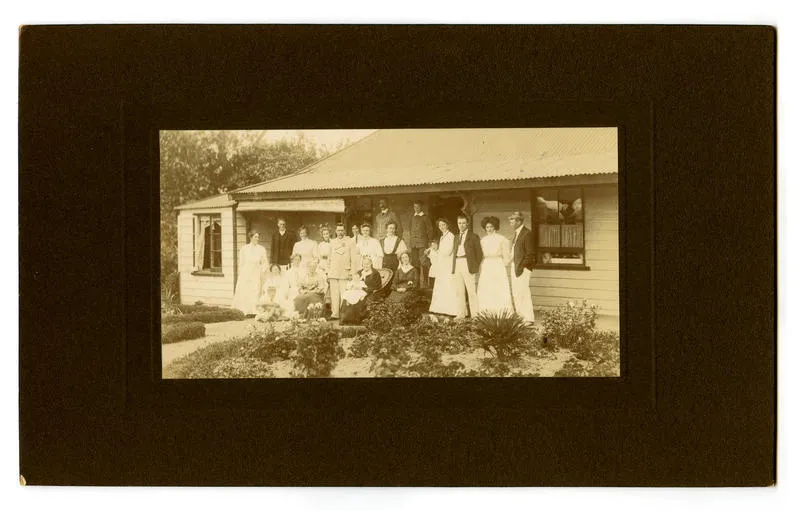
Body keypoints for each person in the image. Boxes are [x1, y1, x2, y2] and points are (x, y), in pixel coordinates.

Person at [476, 216, 514, 315]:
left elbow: (506, 256)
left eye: (491, 227)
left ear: (495, 227)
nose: (489, 229)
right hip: (487, 264)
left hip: (498, 264)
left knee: (498, 287)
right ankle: (487, 312)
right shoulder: (483, 240)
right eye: (487, 227)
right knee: (487, 287)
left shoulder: (502, 239)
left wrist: (502, 265)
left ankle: (501, 312)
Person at [451, 214, 483, 319]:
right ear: (457, 224)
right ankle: (460, 314)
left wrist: (474, 266)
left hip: (468, 264)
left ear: (467, 223)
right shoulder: (456, 237)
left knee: (471, 291)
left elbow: (479, 254)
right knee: (459, 291)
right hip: (457, 264)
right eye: (459, 223)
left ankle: (475, 315)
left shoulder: (473, 236)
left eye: (463, 223)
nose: (461, 225)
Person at [508, 211, 536, 322]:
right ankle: (521, 317)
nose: (510, 222)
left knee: (523, 292)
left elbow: (530, 253)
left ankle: (528, 319)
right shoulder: (516, 233)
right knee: (516, 293)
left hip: (523, 268)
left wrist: (523, 267)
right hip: (515, 266)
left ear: (519, 221)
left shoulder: (526, 233)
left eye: (512, 219)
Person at [428, 218, 459, 317]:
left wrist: (438, 252)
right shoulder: (442, 237)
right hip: (442, 264)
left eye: (443, 225)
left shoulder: (450, 236)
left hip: (447, 264)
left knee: (448, 284)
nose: (442, 227)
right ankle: (440, 308)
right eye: (440, 225)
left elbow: (449, 251)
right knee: (441, 284)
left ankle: (451, 309)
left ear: (447, 225)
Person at [232, 231, 268, 316]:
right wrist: (242, 273)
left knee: (255, 290)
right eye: (255, 237)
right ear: (250, 237)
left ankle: (254, 311)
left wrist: (262, 270)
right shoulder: (244, 248)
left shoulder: (261, 249)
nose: (257, 239)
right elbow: (241, 262)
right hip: (246, 272)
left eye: (258, 237)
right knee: (245, 290)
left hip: (256, 271)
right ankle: (244, 310)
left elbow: (265, 262)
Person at [340, 256, 383, 325]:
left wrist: (364, 289)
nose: (366, 266)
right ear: (362, 264)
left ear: (371, 264)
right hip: (357, 291)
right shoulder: (359, 272)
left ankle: (357, 320)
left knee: (361, 300)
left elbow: (377, 286)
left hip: (370, 292)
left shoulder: (375, 273)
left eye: (367, 264)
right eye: (364, 264)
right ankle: (346, 320)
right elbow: (353, 281)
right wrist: (353, 287)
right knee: (347, 298)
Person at [328, 223, 356, 320]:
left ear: (344, 231)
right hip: (334, 272)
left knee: (344, 294)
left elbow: (354, 258)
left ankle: (344, 314)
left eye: (341, 230)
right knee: (334, 295)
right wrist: (328, 272)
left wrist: (352, 272)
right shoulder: (332, 242)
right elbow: (329, 259)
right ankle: (335, 314)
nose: (340, 232)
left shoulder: (350, 242)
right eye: (338, 230)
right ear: (335, 231)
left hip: (345, 272)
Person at [408, 200, 433, 288]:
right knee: (415, 263)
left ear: (421, 207)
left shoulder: (425, 217)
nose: (416, 209)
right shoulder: (412, 217)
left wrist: (429, 243)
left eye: (418, 207)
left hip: (423, 244)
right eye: (415, 207)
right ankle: (417, 284)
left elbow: (430, 230)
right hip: (414, 245)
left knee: (424, 263)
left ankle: (426, 283)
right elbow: (410, 229)